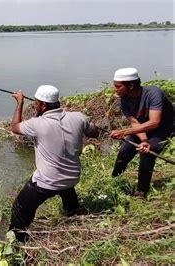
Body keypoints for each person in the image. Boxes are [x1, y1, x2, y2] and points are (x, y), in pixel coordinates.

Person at [9, 85, 99, 242]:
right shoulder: (78, 117)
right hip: (72, 177)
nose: (35, 106)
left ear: (43, 105)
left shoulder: (37, 124)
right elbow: (94, 132)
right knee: (66, 187)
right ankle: (73, 213)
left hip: (47, 182)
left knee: (20, 208)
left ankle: (17, 240)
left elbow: (15, 128)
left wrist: (20, 103)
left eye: (36, 103)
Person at [109, 68, 173, 197]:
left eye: (118, 86)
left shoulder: (154, 94)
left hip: (163, 129)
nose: (115, 89)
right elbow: (135, 123)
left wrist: (124, 132)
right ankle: (114, 181)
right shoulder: (124, 100)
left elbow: (154, 122)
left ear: (131, 86)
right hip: (142, 129)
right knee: (124, 151)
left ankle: (141, 192)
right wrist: (144, 141)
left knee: (147, 154)